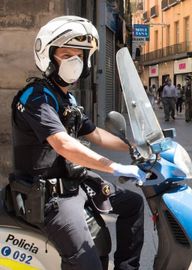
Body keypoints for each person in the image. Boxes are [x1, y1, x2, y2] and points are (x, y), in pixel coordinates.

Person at [10, 16, 145, 269]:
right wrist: (114, 167)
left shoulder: (67, 101)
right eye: (66, 54)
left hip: (76, 184)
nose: (75, 61)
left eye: (80, 55)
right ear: (48, 56)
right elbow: (63, 144)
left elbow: (95, 134)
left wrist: (135, 147)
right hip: (50, 196)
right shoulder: (36, 98)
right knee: (88, 263)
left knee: (133, 204)